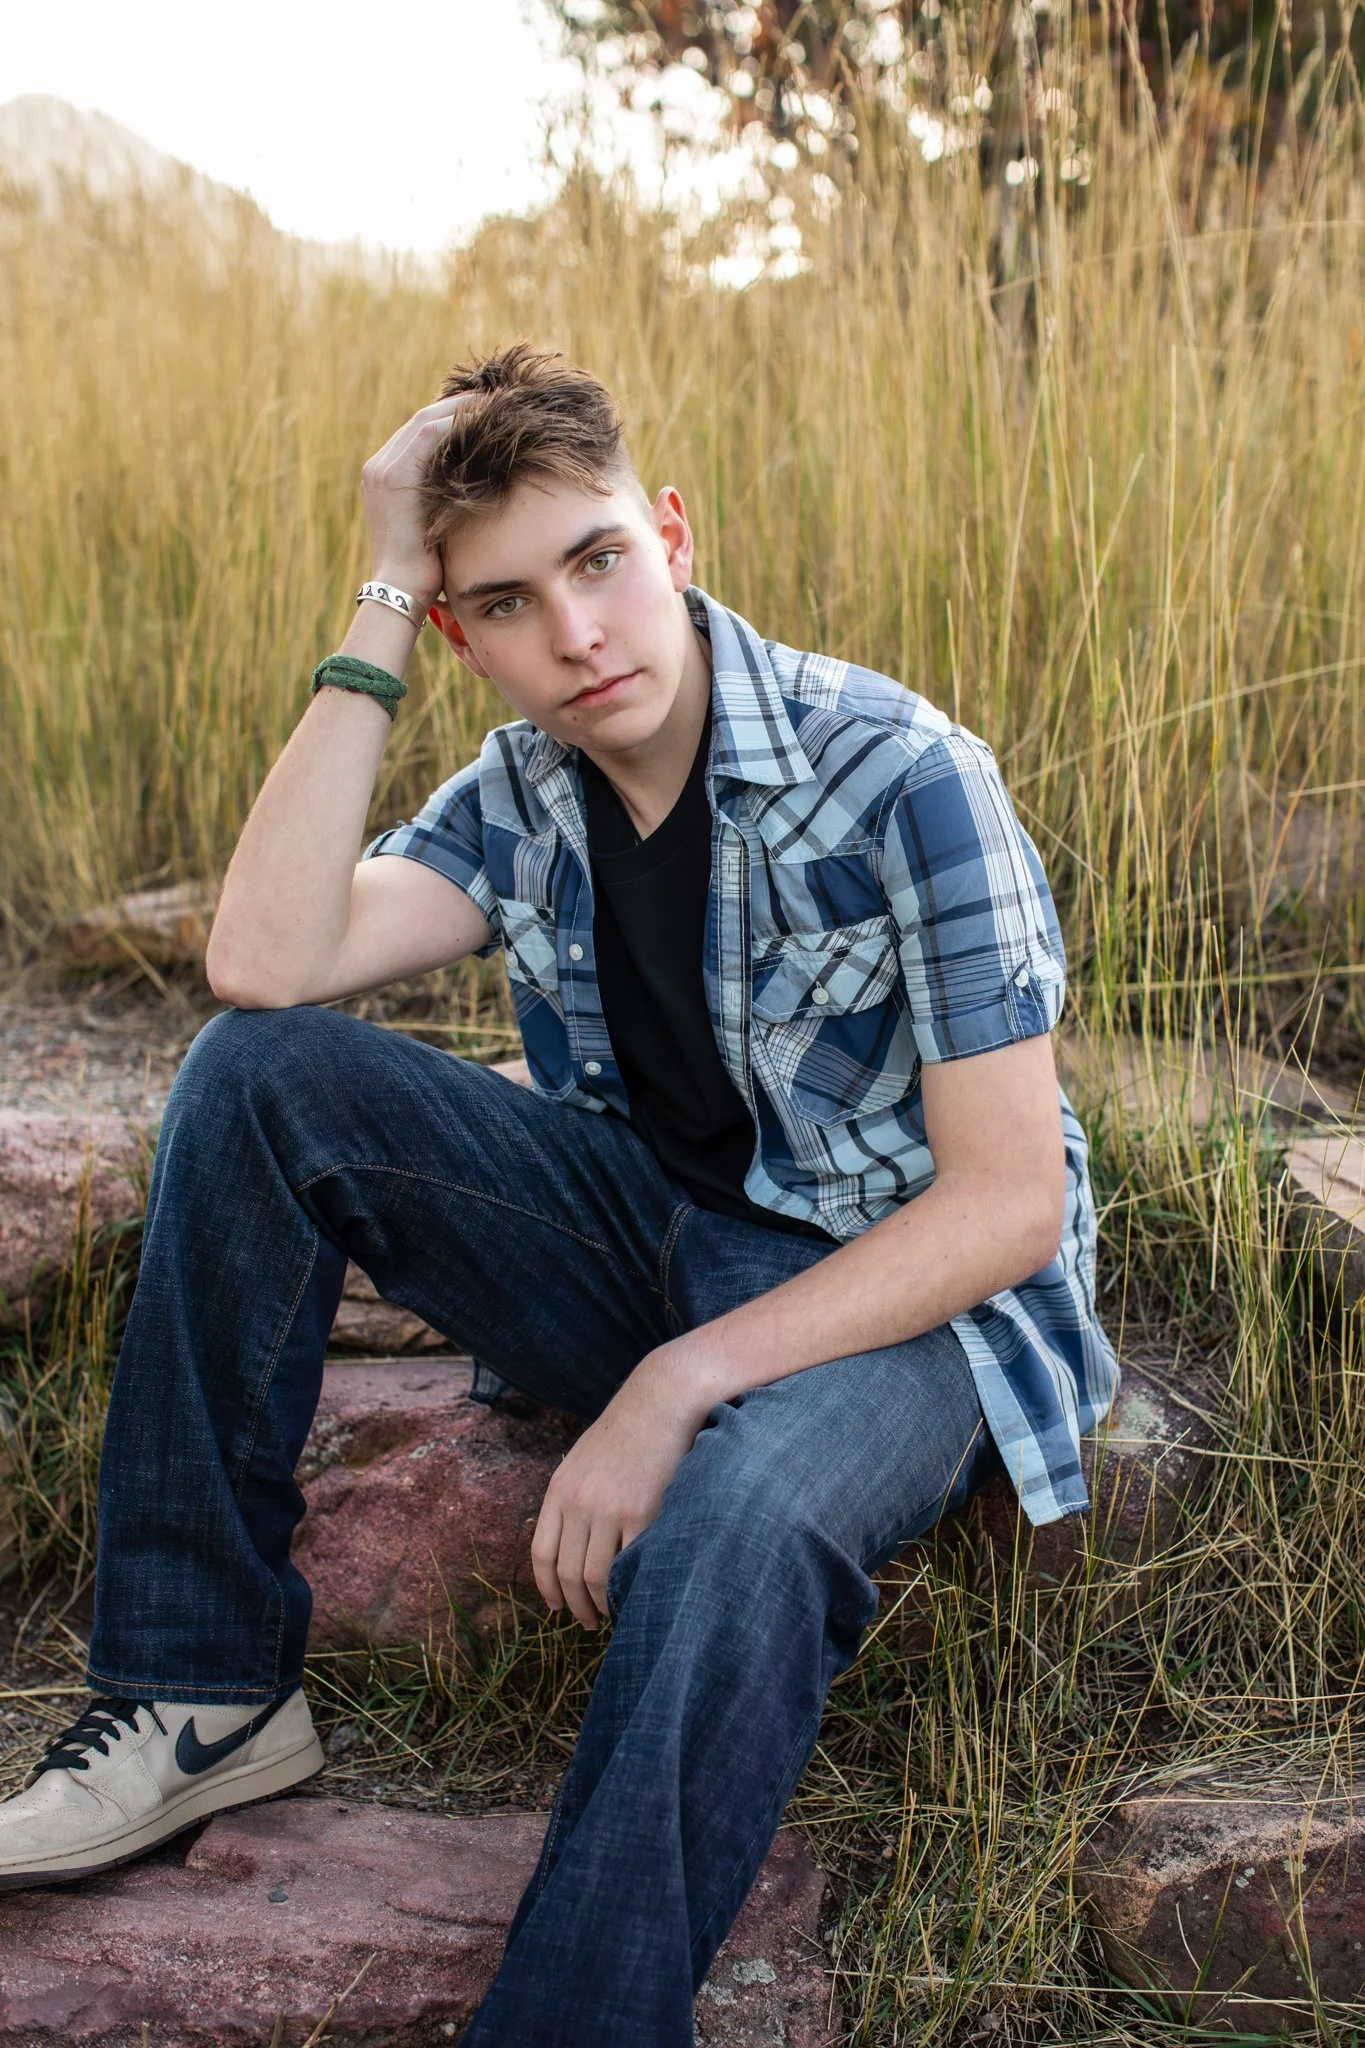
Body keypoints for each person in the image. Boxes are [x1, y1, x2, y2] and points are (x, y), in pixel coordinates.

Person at [0, 342, 1116, 2042]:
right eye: (507, 602)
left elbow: (1005, 1210)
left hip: (915, 1301)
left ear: (668, 533)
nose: (578, 633)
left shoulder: (901, 773)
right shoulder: (525, 791)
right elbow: (262, 959)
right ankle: (201, 1690)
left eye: (598, 561)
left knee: (742, 1509)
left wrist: (679, 1387)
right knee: (257, 1076)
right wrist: (381, 583)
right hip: (661, 1242)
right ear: (463, 636)